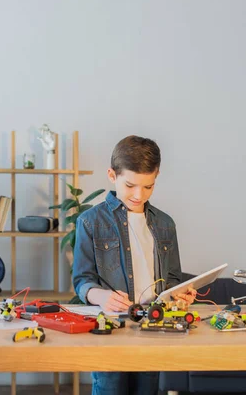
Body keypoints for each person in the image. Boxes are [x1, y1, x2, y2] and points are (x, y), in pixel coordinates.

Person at [73, 135, 196, 395]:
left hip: (152, 328)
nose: (139, 195)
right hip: (110, 329)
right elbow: (82, 281)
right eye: (130, 185)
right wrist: (102, 296)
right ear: (111, 175)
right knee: (110, 389)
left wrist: (180, 294)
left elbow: (173, 278)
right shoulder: (89, 221)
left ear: (156, 177)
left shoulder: (165, 224)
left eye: (148, 187)